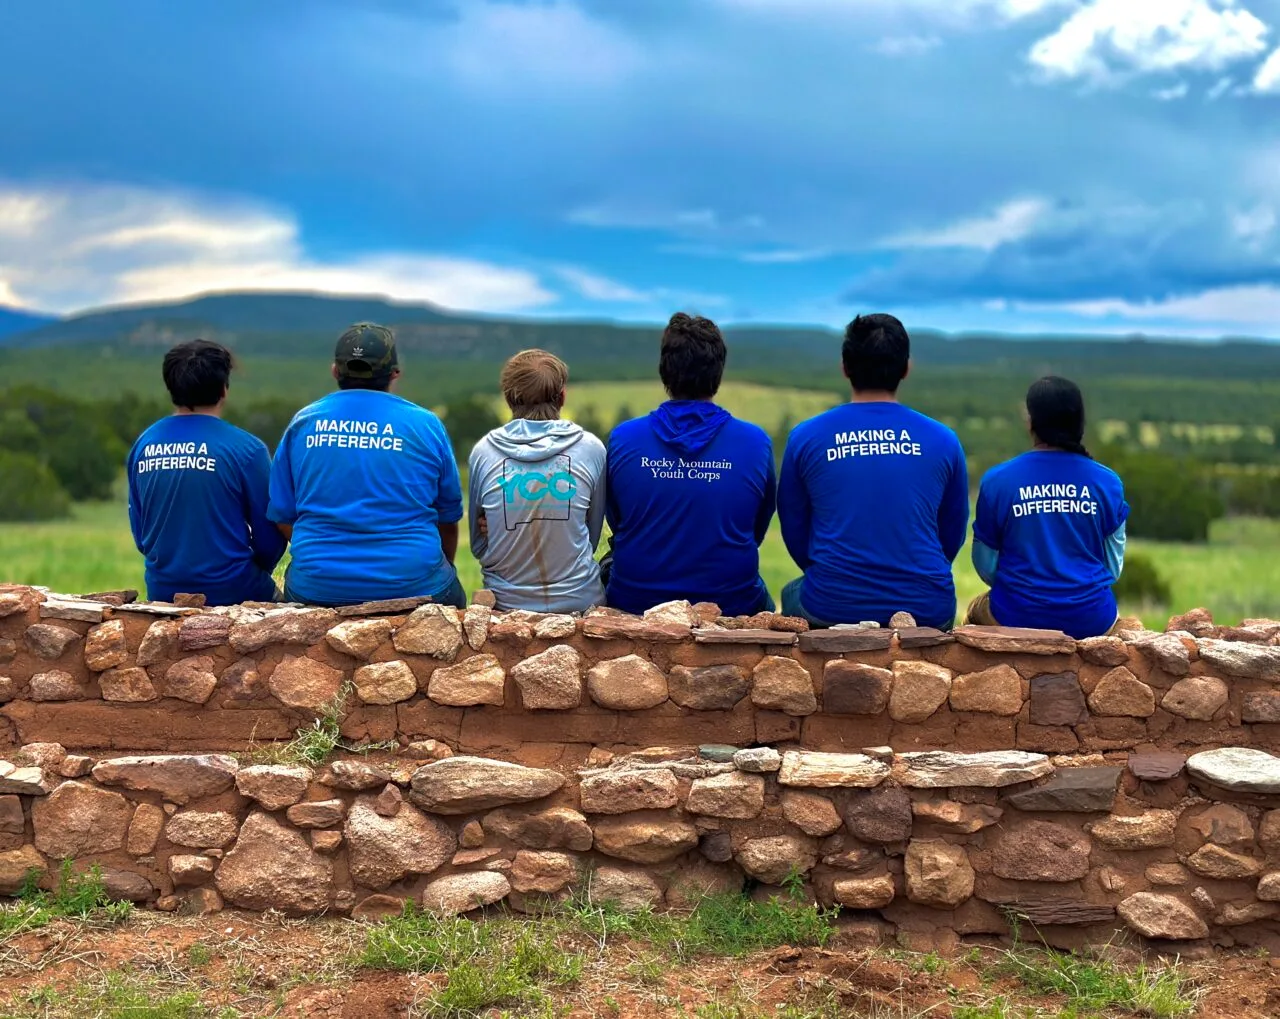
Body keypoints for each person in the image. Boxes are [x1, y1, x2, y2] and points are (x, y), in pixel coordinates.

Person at [778, 313, 968, 630]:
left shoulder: (806, 436)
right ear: (906, 368)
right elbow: (952, 531)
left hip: (831, 603)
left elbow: (794, 526)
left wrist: (833, 577)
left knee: (790, 593)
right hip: (927, 605)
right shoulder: (944, 439)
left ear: (845, 367)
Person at [268, 323, 465, 607]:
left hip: (316, 587)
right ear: (394, 373)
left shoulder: (303, 423)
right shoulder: (426, 425)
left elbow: (281, 515)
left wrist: (322, 559)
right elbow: (448, 516)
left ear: (335, 371)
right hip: (416, 584)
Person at [604, 312, 776, 616]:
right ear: (718, 373)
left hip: (635, 600)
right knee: (769, 604)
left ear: (664, 370)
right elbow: (756, 527)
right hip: (731, 602)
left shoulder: (624, 438)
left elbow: (618, 521)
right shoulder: (755, 442)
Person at [967, 376, 1128, 639]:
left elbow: (985, 565)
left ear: (1031, 422)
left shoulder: (998, 481)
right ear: (1080, 422)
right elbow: (1113, 567)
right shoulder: (1108, 483)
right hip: (1092, 619)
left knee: (975, 610)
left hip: (1015, 615)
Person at [127, 340, 285, 605]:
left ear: (171, 387)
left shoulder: (144, 444)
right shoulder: (247, 449)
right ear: (224, 389)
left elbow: (141, 535)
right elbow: (269, 539)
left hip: (163, 591)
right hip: (236, 589)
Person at [468, 349, 606, 612]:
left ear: (508, 399)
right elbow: (592, 532)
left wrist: (500, 524)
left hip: (507, 603)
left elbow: (478, 544)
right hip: (581, 600)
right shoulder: (592, 449)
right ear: (562, 397)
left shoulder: (483, 452)